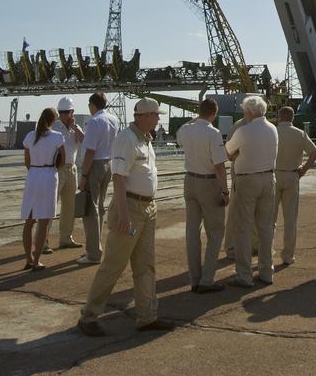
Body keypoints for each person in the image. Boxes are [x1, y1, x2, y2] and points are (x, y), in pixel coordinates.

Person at [77, 98, 174, 336]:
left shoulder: (146, 140)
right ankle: (89, 316)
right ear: (142, 116)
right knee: (113, 264)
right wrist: (123, 215)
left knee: (146, 266)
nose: (159, 118)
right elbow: (118, 178)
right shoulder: (126, 139)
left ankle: (147, 316)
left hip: (147, 209)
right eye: (155, 114)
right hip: (130, 209)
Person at [224, 94, 279, 288]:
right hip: (268, 178)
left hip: (247, 180)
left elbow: (228, 151)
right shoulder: (273, 129)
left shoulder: (244, 131)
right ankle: (266, 272)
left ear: (249, 112)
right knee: (265, 228)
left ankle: (244, 275)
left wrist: (238, 153)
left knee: (244, 227)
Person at [177, 97, 229, 292]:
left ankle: (194, 279)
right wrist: (224, 191)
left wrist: (192, 120)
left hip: (189, 180)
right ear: (213, 113)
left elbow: (179, 137)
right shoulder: (213, 133)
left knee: (192, 232)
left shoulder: (186, 130)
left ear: (199, 112)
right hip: (208, 182)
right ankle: (207, 279)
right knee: (215, 231)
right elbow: (219, 166)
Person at [78, 92, 120, 266]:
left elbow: (90, 151)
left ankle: (93, 252)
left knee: (89, 210)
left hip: (94, 166)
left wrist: (84, 175)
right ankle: (97, 246)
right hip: (108, 164)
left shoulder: (94, 122)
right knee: (100, 207)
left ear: (92, 105)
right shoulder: (113, 119)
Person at [21, 107, 65, 270]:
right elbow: (62, 159)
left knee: (29, 220)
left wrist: (34, 170)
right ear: (53, 120)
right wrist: (52, 170)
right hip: (48, 174)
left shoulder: (30, 136)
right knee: (44, 220)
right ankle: (37, 260)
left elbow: (27, 160)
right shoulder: (57, 137)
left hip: (33, 174)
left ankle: (28, 258)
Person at [273, 105, 316, 267]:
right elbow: (314, 152)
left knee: (269, 219)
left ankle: (267, 253)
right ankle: (287, 255)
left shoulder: (273, 131)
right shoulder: (300, 133)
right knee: (290, 219)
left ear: (279, 116)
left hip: (273, 175)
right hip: (292, 175)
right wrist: (303, 170)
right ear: (292, 118)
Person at [53, 97, 86, 249]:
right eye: (62, 112)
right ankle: (44, 241)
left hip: (71, 169)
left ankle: (66, 238)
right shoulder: (54, 127)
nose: (64, 114)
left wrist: (75, 128)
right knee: (50, 205)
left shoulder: (75, 128)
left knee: (69, 206)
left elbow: (84, 141)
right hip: (57, 168)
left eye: (67, 112)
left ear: (72, 112)